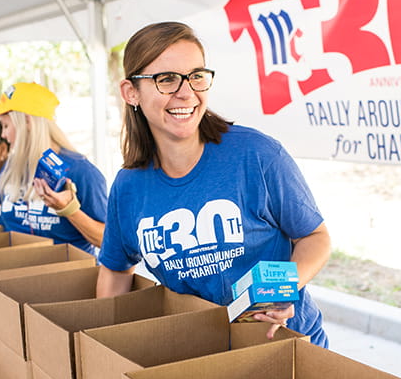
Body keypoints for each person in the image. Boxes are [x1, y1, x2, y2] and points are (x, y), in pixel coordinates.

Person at [96, 22, 331, 346]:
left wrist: (283, 289)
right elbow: (115, 270)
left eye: (196, 77)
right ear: (131, 92)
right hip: (204, 355)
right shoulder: (128, 187)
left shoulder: (257, 155)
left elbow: (315, 237)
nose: (186, 92)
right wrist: (107, 346)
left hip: (287, 347)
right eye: (166, 79)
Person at [0, 82, 107, 255]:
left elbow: (106, 241)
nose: (3, 135)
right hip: (12, 270)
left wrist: (69, 209)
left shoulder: (81, 171)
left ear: (27, 122)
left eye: (6, 126)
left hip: (66, 275)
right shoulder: (13, 166)